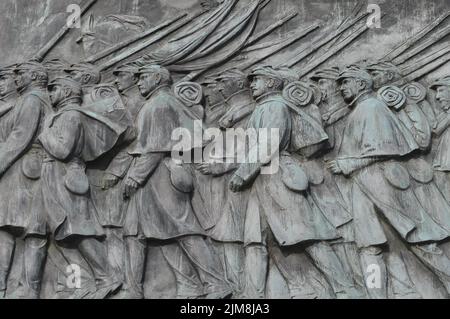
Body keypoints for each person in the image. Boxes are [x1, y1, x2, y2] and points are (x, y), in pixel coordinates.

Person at [229, 65, 358, 298]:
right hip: (262, 182)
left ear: (270, 82)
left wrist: (242, 173)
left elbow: (269, 145)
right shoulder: (264, 107)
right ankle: (252, 296)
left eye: (256, 80)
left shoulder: (275, 106)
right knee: (255, 241)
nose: (252, 84)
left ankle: (346, 288)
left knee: (307, 236)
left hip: (278, 179)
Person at [327, 66, 448, 298]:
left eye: (345, 82)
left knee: (421, 243)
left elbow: (383, 147)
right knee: (369, 246)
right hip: (363, 186)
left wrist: (349, 164)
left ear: (361, 84)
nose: (341, 88)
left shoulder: (371, 107)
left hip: (382, 182)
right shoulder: (360, 109)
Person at [121, 64, 231, 299]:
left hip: (160, 174)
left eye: (143, 77)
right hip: (155, 175)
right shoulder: (158, 102)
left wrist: (134, 177)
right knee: (154, 233)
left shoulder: (160, 103)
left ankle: (216, 283)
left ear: (157, 79)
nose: (138, 81)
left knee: (184, 230)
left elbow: (155, 149)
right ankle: (185, 285)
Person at [25, 76, 121, 299]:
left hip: (64, 177)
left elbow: (62, 151)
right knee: (46, 232)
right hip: (51, 177)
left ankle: (107, 276)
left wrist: (43, 134)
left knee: (77, 229)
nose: (51, 93)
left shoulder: (71, 115)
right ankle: (71, 284)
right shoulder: (61, 115)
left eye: (55, 89)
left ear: (67, 92)